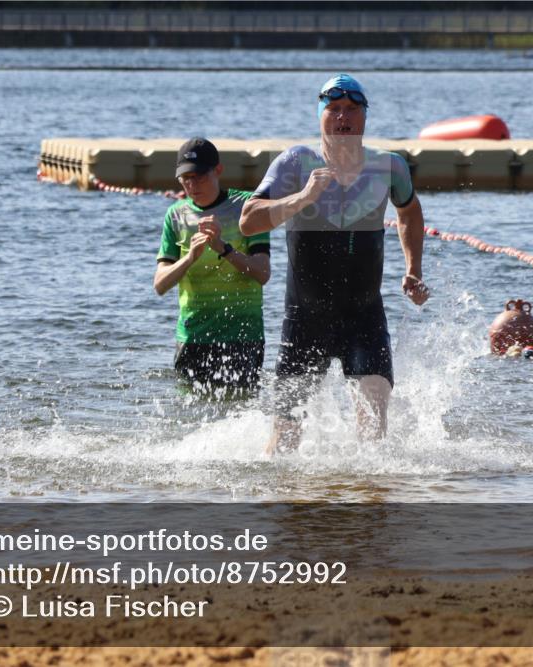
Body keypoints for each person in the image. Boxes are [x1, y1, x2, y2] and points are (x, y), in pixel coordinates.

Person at [239, 74, 429, 453]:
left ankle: (368, 505)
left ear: (364, 118)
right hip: (305, 317)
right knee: (284, 442)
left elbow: (409, 212)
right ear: (321, 116)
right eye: (334, 110)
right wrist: (303, 197)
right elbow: (248, 219)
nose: (343, 118)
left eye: (352, 110)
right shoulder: (295, 162)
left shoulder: (389, 168)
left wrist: (413, 270)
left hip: (364, 314)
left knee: (374, 429)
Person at [154, 137, 271, 391]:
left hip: (243, 336)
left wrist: (224, 249)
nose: (192, 185)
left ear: (218, 170)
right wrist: (189, 258)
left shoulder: (247, 207)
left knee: (241, 412)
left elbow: (262, 273)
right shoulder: (176, 215)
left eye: (199, 176)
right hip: (193, 337)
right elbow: (160, 285)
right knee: (188, 418)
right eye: (186, 179)